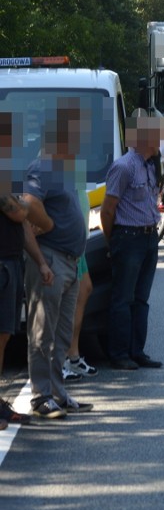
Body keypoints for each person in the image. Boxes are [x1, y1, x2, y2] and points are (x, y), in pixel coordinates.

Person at [22, 101, 94, 418]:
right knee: (43, 332)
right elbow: (28, 205)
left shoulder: (63, 166)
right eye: (77, 133)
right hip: (50, 260)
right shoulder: (43, 166)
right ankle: (40, 397)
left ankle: (57, 393)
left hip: (69, 261)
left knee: (62, 334)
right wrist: (49, 230)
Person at [100, 117, 163, 370]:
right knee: (123, 298)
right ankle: (119, 354)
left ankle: (137, 351)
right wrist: (112, 242)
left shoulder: (150, 166)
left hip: (149, 238)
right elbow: (107, 209)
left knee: (141, 299)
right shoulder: (123, 167)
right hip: (128, 238)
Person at [0, 193, 35, 427]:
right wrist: (26, 202)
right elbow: (20, 212)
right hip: (2, 266)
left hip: (10, 262)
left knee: (3, 336)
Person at [63, 186, 98, 379]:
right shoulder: (53, 165)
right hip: (66, 243)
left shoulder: (71, 166)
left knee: (84, 290)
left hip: (78, 242)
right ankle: (59, 360)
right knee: (62, 301)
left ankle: (72, 356)